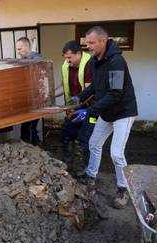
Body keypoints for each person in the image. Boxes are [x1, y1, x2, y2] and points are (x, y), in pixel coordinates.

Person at [72, 26, 138, 209]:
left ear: (104, 41)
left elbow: (115, 94)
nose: (89, 47)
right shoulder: (94, 61)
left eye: (92, 43)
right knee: (94, 143)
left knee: (116, 153)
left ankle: (123, 189)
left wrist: (89, 111)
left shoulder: (117, 62)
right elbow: (95, 87)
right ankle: (91, 177)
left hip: (123, 112)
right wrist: (79, 97)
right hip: (107, 111)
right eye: (87, 43)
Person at [58, 40, 96, 162]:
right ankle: (67, 163)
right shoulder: (67, 66)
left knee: (85, 139)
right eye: (66, 58)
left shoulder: (89, 64)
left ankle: (85, 168)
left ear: (78, 54)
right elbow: (64, 87)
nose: (67, 60)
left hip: (90, 108)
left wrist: (75, 108)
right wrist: (50, 95)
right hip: (75, 106)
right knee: (67, 133)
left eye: (69, 57)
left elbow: (90, 91)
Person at [16, 36, 41, 145]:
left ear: (27, 46)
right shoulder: (24, 59)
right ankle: (30, 149)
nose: (18, 52)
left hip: (35, 100)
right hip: (27, 101)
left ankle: (35, 151)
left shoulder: (37, 58)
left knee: (30, 127)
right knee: (26, 127)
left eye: (20, 49)